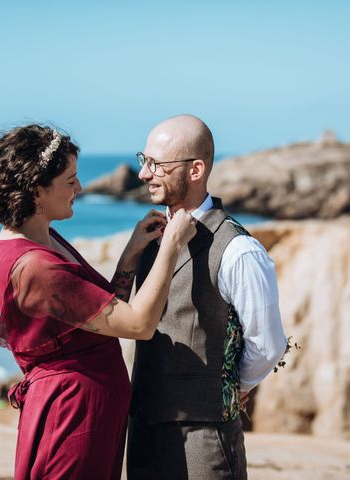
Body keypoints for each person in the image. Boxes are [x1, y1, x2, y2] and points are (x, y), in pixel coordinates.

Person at [0, 123, 196, 480]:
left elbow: (100, 319)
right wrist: (172, 246)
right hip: (72, 415)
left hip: (85, 410)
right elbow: (139, 324)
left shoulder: (40, 238)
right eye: (70, 180)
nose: (80, 188)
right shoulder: (37, 266)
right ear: (36, 190)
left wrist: (130, 255)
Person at [127, 114, 288, 479]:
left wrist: (227, 388)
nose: (143, 174)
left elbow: (268, 345)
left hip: (204, 440)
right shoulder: (150, 237)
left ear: (196, 169)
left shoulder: (239, 250)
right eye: (144, 160)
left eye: (156, 164)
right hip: (143, 435)